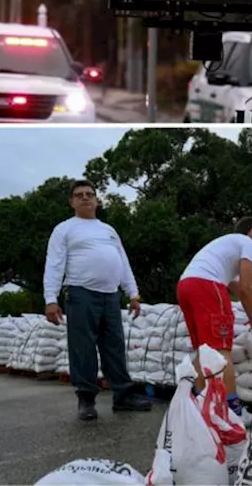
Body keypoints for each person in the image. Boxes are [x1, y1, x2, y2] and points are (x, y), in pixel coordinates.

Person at [42, 180, 153, 421]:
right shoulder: (65, 229)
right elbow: (54, 264)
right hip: (80, 293)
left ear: (97, 201)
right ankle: (86, 398)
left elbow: (122, 262)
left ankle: (122, 396)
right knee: (83, 348)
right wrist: (51, 299)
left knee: (114, 345)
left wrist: (132, 293)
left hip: (111, 295)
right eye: (79, 195)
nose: (85, 198)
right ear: (72, 202)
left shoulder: (108, 230)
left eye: (89, 194)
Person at [176, 217, 252, 420]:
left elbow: (235, 286)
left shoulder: (223, 246)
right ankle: (232, 413)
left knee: (203, 351)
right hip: (207, 287)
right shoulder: (248, 244)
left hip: (185, 286)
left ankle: (200, 407)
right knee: (222, 351)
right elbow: (245, 287)